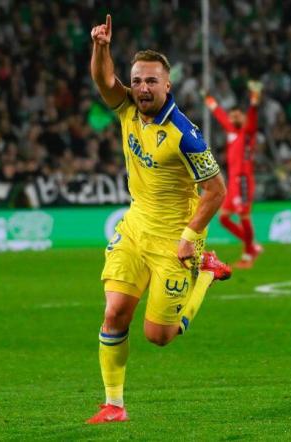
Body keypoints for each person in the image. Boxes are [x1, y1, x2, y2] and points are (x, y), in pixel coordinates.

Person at [87, 14, 232, 423]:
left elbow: (216, 190)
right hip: (135, 227)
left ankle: (205, 273)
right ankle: (114, 405)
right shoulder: (128, 109)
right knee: (114, 313)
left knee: (159, 336)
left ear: (167, 85)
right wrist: (101, 48)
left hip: (174, 240)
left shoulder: (187, 135)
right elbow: (102, 80)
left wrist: (190, 236)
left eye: (152, 81)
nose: (143, 88)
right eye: (137, 80)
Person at [205, 81, 263, 268]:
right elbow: (219, 114)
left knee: (244, 216)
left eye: (236, 115)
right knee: (223, 218)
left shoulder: (248, 132)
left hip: (244, 180)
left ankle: (248, 255)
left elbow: (253, 117)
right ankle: (251, 245)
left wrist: (254, 102)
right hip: (234, 182)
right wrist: (208, 98)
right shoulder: (231, 131)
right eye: (232, 115)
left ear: (243, 117)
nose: (232, 118)